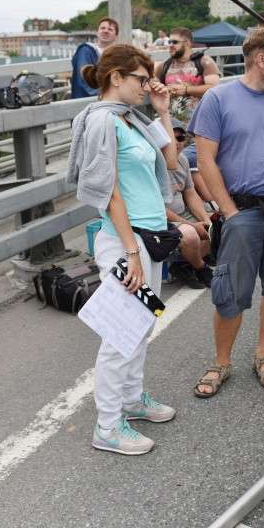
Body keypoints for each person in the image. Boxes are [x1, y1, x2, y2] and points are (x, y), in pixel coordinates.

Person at [67, 43, 179, 455]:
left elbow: (169, 161)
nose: (147, 85)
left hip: (146, 237)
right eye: (141, 79)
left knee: (143, 324)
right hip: (123, 241)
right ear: (116, 78)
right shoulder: (102, 123)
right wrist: (130, 252)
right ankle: (108, 426)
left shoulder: (132, 118)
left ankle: (132, 401)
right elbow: (108, 192)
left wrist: (162, 108)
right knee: (119, 334)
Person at [188, 28, 264, 397]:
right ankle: (221, 362)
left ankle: (263, 354)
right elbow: (205, 161)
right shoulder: (218, 98)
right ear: (262, 59)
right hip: (242, 212)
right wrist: (229, 212)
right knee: (230, 290)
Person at [159, 27, 221, 203]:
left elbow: (214, 87)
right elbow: (153, 79)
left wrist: (185, 89)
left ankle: (212, 202)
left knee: (192, 161)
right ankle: (186, 203)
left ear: (187, 43)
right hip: (175, 131)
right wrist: (161, 87)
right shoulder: (166, 65)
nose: (170, 45)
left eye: (174, 42)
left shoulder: (204, 62)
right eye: (169, 41)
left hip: (198, 129)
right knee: (175, 165)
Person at [165, 118, 214, 289]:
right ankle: (200, 267)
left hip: (181, 213)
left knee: (217, 225)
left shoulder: (183, 160)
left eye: (180, 138)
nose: (177, 143)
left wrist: (205, 221)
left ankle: (184, 265)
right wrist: (192, 225)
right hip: (161, 218)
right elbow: (157, 208)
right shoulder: (152, 163)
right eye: (173, 138)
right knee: (191, 234)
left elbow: (191, 194)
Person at [70, 17, 119, 99]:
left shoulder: (115, 55)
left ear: (116, 36)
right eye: (102, 28)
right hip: (87, 100)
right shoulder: (86, 50)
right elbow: (84, 79)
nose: (105, 31)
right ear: (97, 32)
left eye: (110, 29)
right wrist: (106, 95)